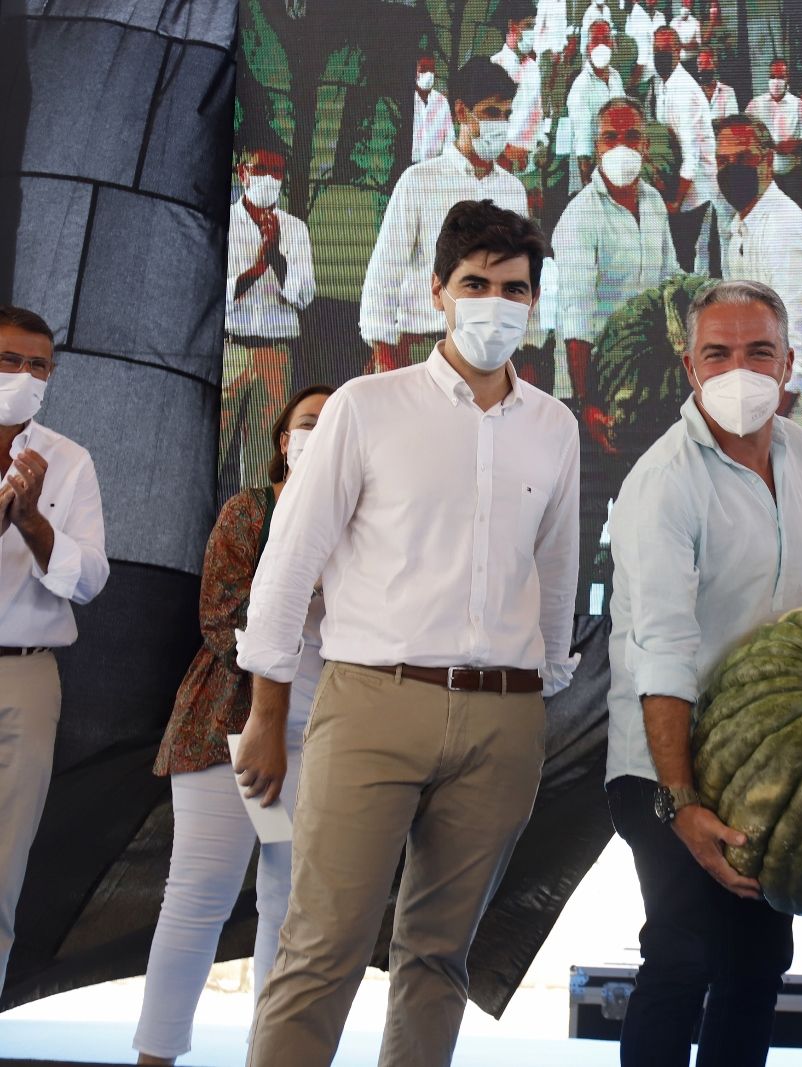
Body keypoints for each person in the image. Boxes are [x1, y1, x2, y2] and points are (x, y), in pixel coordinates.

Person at [234, 200, 579, 1066]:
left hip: (503, 718)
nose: (494, 303)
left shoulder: (554, 426)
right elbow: (287, 564)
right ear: (438, 292)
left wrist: (540, 699)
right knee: (322, 949)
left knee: (438, 958)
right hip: (373, 703)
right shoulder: (364, 405)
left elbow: (557, 573)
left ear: (533, 303)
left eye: (512, 288)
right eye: (475, 284)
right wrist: (268, 714)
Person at [606, 279, 802, 1067]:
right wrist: (680, 801)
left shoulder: (797, 451)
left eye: (759, 351)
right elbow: (663, 649)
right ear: (690, 365)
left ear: (790, 362)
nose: (738, 368)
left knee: (756, 965)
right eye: (717, 352)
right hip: (663, 761)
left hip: (761, 760)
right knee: (683, 956)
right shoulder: (663, 483)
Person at [133, 386, 332, 1066]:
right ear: (283, 439)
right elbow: (220, 618)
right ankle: (155, 1054)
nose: (318, 434)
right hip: (230, 728)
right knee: (197, 899)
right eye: (308, 422)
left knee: (289, 910)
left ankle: (270, 1054)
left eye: (333, 426)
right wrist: (299, 587)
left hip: (324, 737)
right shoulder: (252, 510)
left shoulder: (363, 523)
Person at [0, 305, 109, 994]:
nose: (23, 375)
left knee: (4, 867)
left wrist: (34, 520)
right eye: (9, 360)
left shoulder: (67, 460)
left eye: (38, 365)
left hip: (24, 676)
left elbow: (91, 581)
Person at [713, 114, 802, 504]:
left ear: (767, 161)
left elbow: (796, 344)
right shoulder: (743, 226)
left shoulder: (785, 229)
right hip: (767, 412)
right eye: (723, 161)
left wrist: (764, 427)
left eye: (742, 158)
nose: (731, 170)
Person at [359, 59, 527, 375]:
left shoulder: (513, 191)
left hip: (491, 354)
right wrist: (383, 351)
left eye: (507, 115)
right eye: (491, 112)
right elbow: (385, 270)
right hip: (423, 345)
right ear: (462, 112)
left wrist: (524, 349)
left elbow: (521, 278)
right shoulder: (420, 180)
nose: (501, 124)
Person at [551, 96, 681, 457]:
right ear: (596, 147)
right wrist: (586, 402)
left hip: (648, 377)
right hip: (596, 382)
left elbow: (671, 280)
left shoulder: (653, 203)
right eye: (611, 137)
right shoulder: (581, 215)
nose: (621, 146)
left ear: (645, 144)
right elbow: (575, 315)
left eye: (631, 136)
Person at [222, 133, 315, 489]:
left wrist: (275, 257)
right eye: (262, 169)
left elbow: (304, 296)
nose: (270, 179)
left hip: (275, 354)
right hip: (232, 349)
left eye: (277, 171)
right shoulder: (227, 222)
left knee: (267, 460)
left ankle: (261, 537)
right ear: (242, 172)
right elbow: (223, 294)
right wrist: (257, 268)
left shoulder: (294, 229)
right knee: (217, 447)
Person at [656, 28, 717, 270]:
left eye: (666, 49)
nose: (660, 54)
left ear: (679, 51)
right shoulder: (665, 84)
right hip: (678, 186)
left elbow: (691, 157)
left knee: (688, 260)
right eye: (656, 50)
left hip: (695, 190)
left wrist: (675, 202)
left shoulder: (684, 90)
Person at [565, 20, 626, 193]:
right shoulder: (581, 86)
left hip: (615, 163)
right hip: (592, 172)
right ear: (588, 47)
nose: (601, 45)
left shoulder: (616, 77)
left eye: (606, 39)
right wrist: (587, 176)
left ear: (613, 44)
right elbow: (582, 135)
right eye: (596, 40)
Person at [745, 59, 802, 209]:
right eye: (772, 76)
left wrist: (792, 145)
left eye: (780, 77)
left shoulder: (800, 105)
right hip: (764, 175)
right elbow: (744, 134)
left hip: (792, 173)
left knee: (793, 213)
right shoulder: (755, 105)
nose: (776, 81)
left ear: (788, 79)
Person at [490, 1, 546, 175]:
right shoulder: (495, 66)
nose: (532, 32)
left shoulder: (533, 68)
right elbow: (491, 119)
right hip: (502, 160)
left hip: (530, 162)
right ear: (512, 26)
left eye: (534, 26)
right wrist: (506, 152)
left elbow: (537, 112)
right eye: (528, 26)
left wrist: (541, 142)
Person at [411, 56, 451, 163]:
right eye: (423, 69)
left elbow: (449, 138)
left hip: (434, 166)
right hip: (409, 164)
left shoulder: (442, 102)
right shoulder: (407, 101)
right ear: (415, 72)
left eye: (431, 70)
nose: (428, 74)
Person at [696, 48, 737, 121]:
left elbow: (731, 120)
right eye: (700, 64)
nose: (702, 68)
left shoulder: (727, 91)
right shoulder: (693, 92)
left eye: (707, 63)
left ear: (715, 65)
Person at [626, 0, 667, 71]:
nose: (649, 1)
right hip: (640, 58)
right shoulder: (634, 15)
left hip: (656, 58)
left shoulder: (661, 16)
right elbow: (629, 35)